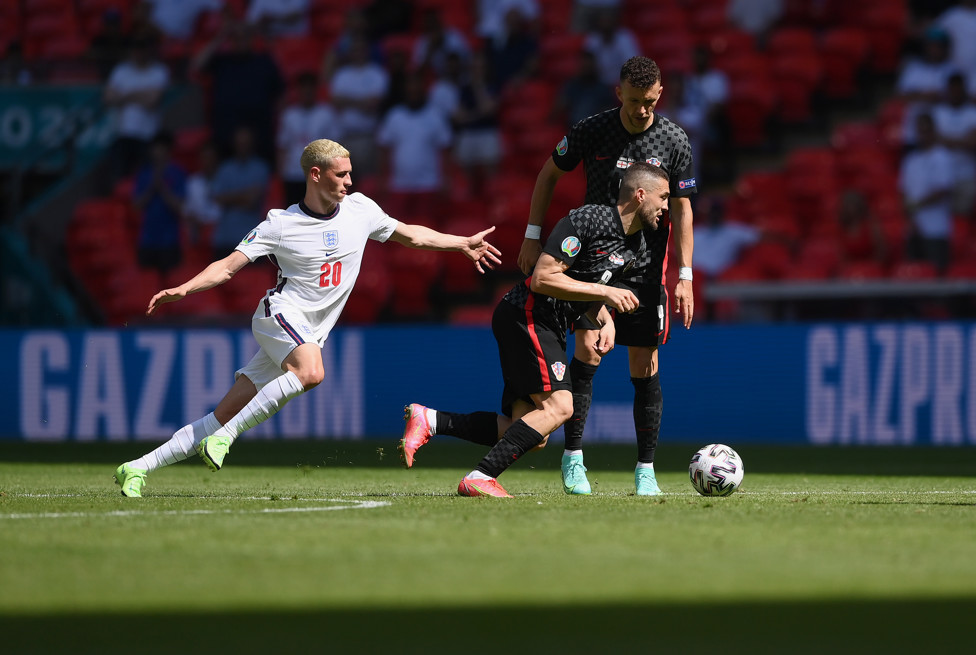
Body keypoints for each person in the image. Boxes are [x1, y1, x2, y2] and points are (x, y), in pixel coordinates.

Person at [114, 138, 501, 497]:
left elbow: (412, 236)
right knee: (312, 372)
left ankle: (136, 467)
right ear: (315, 175)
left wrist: (461, 243)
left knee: (222, 412)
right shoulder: (280, 224)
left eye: (350, 173)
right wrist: (185, 288)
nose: (349, 181)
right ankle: (227, 437)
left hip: (308, 331)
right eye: (341, 174)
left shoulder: (361, 210)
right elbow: (228, 266)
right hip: (279, 314)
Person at [400, 163, 671, 497]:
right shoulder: (588, 220)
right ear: (640, 195)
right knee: (561, 406)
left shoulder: (636, 247)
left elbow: (587, 284)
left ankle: (432, 420)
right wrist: (606, 295)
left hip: (550, 324)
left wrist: (604, 317)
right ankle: (481, 475)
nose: (666, 206)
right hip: (527, 313)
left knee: (534, 433)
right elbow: (543, 278)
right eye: (664, 197)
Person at [516, 56, 696, 496]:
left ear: (660, 95)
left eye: (650, 102)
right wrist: (532, 235)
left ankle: (646, 470)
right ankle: (574, 459)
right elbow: (548, 174)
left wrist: (685, 273)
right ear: (619, 94)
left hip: (648, 270)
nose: (641, 110)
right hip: (594, 267)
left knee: (645, 365)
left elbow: (683, 208)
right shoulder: (592, 130)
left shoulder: (674, 139)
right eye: (634, 101)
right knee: (589, 355)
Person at [103, 38, 170, 182]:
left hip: (148, 135)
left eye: (141, 48)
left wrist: (124, 96)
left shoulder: (158, 71)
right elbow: (108, 98)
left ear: (148, 50)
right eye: (135, 49)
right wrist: (141, 94)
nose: (138, 53)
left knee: (146, 178)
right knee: (118, 178)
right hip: (123, 134)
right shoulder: (121, 70)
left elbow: (153, 101)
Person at [899, 112, 954, 273]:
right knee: (914, 275)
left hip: (935, 228)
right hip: (914, 228)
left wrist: (916, 204)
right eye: (920, 130)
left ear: (933, 131)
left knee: (936, 274)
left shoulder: (941, 156)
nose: (923, 135)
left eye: (926, 130)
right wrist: (910, 217)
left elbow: (943, 189)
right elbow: (903, 191)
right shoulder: (911, 160)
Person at [277, 72, 341, 205]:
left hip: (319, 174)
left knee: (318, 217)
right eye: (303, 89)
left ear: (315, 90)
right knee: (293, 217)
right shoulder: (289, 115)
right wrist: (282, 173)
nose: (307, 93)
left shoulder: (326, 113)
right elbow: (282, 146)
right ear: (298, 91)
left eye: (310, 89)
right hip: (293, 174)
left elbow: (335, 147)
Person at [211, 125, 271, 260]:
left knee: (255, 280)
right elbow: (217, 199)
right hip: (224, 238)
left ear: (252, 144)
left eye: (246, 143)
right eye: (239, 143)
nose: (242, 146)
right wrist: (244, 195)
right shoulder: (225, 168)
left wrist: (229, 197)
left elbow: (252, 201)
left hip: (252, 240)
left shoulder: (261, 168)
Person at [132, 130, 188, 274]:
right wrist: (152, 187)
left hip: (170, 241)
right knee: (146, 286)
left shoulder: (177, 173)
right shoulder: (144, 174)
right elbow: (137, 206)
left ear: (168, 150)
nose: (157, 152)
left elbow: (179, 207)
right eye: (155, 148)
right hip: (147, 240)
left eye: (161, 148)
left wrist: (162, 187)